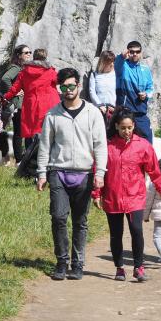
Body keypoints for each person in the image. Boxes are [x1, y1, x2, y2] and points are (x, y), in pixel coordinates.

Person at [37, 68, 108, 281]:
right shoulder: (52, 115)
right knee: (58, 217)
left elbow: (100, 145)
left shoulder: (93, 113)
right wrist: (42, 173)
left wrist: (100, 173)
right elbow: (44, 146)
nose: (68, 90)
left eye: (71, 86)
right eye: (63, 87)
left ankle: (77, 263)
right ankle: (61, 262)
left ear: (79, 85)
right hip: (58, 172)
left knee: (80, 221)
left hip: (84, 174)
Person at [93, 108, 161, 282]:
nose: (126, 131)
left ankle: (138, 267)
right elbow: (98, 171)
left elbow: (154, 170)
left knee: (137, 231)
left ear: (134, 125)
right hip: (113, 197)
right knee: (116, 234)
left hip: (135, 197)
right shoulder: (107, 147)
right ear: (116, 126)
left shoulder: (143, 146)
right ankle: (119, 268)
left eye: (129, 127)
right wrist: (96, 193)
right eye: (123, 128)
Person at [3, 48, 60, 147]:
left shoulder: (24, 72)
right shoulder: (50, 72)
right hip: (50, 105)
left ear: (34, 57)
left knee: (31, 133)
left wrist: (5, 98)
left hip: (32, 105)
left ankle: (30, 154)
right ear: (45, 57)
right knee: (51, 132)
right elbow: (59, 81)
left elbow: (14, 89)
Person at [115, 40, 154, 144]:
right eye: (132, 52)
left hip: (140, 112)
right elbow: (116, 65)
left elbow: (150, 87)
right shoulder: (123, 66)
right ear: (128, 52)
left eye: (137, 52)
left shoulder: (145, 69)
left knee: (147, 141)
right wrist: (121, 56)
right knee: (124, 142)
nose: (135, 54)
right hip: (125, 112)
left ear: (141, 53)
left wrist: (146, 94)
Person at [0, 44, 31, 161]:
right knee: (19, 133)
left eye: (30, 52)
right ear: (19, 55)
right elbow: (5, 78)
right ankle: (19, 159)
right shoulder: (16, 68)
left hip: (21, 105)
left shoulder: (22, 68)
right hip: (17, 105)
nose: (29, 54)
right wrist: (14, 91)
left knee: (22, 132)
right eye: (26, 53)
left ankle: (22, 158)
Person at [88, 50, 116, 124]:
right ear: (103, 62)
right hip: (99, 110)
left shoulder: (116, 75)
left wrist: (115, 107)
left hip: (114, 110)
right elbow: (92, 92)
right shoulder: (94, 75)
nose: (112, 64)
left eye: (113, 61)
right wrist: (99, 105)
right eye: (110, 62)